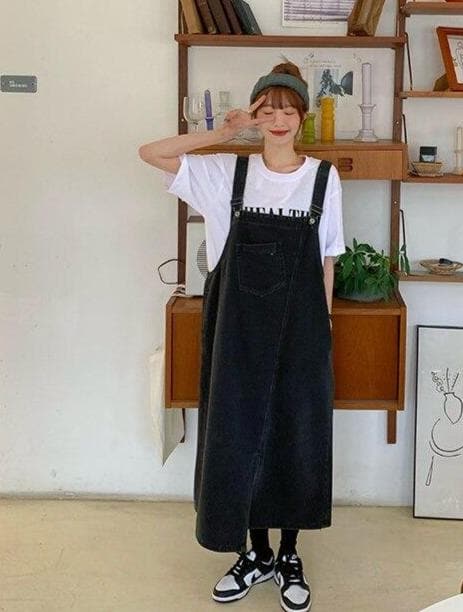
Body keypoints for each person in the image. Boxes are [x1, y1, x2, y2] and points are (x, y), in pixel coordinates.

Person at [139, 62, 345, 612]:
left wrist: (322, 331)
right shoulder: (224, 174)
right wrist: (223, 132)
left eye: (289, 109)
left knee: (295, 435)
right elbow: (150, 153)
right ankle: (256, 554)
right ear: (255, 116)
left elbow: (327, 261)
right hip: (236, 335)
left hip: (302, 333)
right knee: (239, 434)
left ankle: (290, 554)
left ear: (303, 117)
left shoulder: (323, 179)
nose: (278, 119)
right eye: (267, 109)